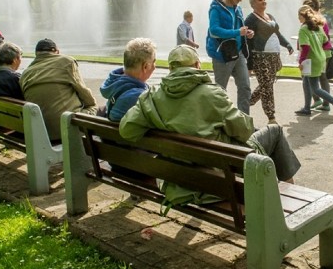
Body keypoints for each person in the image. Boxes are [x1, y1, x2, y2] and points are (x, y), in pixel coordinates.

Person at [120, 45, 300, 183]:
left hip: (179, 176)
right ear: (198, 65)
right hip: (218, 172)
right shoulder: (211, 93)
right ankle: (290, 193)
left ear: (170, 68)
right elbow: (244, 131)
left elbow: (127, 130)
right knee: (274, 131)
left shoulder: (151, 97)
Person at [20, 38, 97, 142]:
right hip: (66, 127)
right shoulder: (66, 61)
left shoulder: (25, 74)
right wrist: (91, 104)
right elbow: (83, 92)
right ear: (56, 51)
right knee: (97, 108)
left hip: (40, 131)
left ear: (37, 54)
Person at [244, 0, 294, 124]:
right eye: (260, 0)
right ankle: (271, 117)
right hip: (260, 57)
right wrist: (250, 65)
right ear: (253, 4)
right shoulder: (250, 19)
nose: (264, 1)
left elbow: (277, 33)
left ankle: (246, 102)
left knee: (266, 85)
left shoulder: (270, 16)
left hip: (274, 56)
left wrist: (287, 44)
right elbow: (247, 43)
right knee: (267, 87)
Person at [206, 0, 254, 114]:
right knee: (220, 91)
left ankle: (244, 122)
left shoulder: (237, 8)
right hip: (222, 55)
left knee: (245, 87)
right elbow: (214, 31)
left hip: (238, 53)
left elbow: (240, 28)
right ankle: (219, 123)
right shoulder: (216, 8)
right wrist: (238, 32)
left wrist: (247, 33)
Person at [295, 6, 333, 118]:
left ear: (303, 16)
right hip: (320, 57)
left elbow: (305, 47)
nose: (298, 19)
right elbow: (326, 43)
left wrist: (301, 61)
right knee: (306, 82)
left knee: (315, 87)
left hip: (310, 60)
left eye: (299, 16)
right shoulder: (317, 27)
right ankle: (306, 108)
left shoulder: (303, 29)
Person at [99, 38, 156, 121]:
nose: (155, 67)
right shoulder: (140, 98)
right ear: (145, 67)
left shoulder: (113, 84)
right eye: (153, 62)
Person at [303, 0, 333, 111]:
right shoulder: (321, 19)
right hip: (325, 52)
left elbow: (316, 38)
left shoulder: (313, 21)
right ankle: (325, 103)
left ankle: (318, 101)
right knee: (322, 78)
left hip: (316, 52)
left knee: (308, 77)